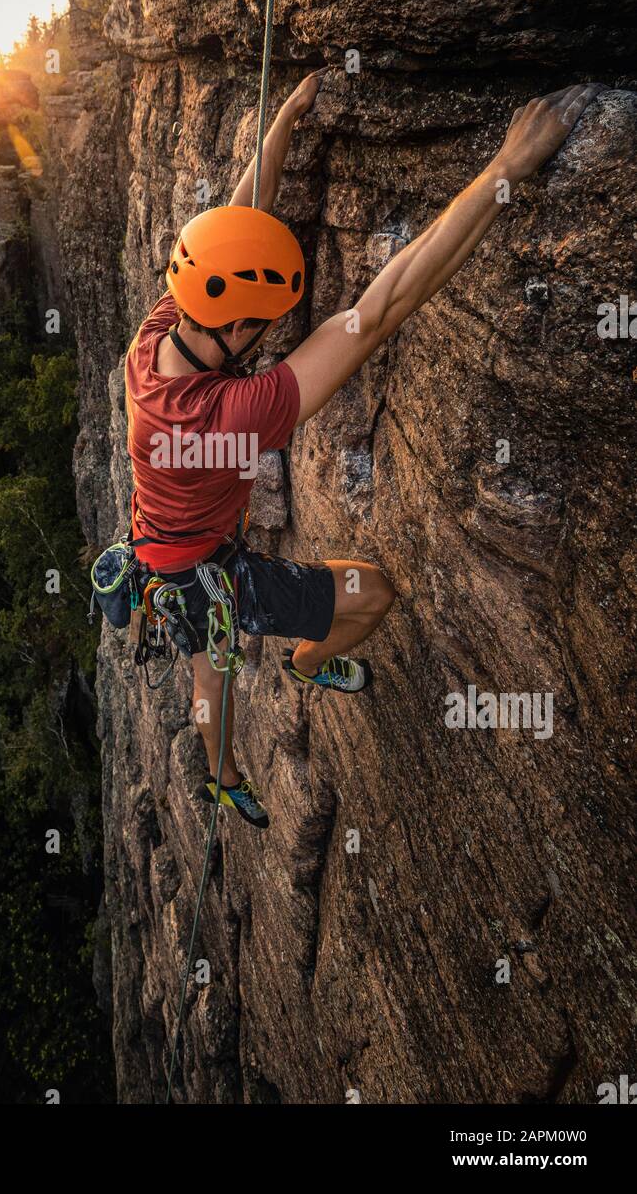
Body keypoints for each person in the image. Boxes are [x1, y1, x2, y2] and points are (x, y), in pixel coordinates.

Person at [124, 73, 599, 828]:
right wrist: (505, 169)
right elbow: (378, 313)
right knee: (369, 595)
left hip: (162, 551)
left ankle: (219, 776)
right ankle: (309, 661)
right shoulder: (229, 414)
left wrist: (284, 118)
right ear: (233, 327)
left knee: (209, 673)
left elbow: (235, 223)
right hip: (211, 564)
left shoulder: (156, 340)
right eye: (262, 323)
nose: (269, 333)